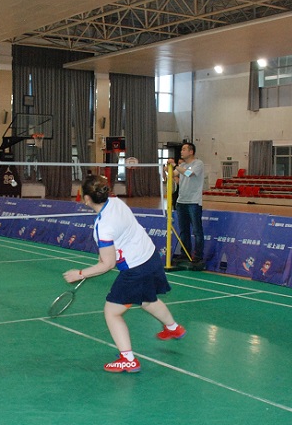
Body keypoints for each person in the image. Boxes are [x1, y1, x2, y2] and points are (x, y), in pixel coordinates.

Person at [63, 174, 185, 373]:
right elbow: (114, 246)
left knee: (112, 312)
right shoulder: (115, 202)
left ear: (86, 199)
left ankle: (127, 359)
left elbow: (107, 264)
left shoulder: (103, 226)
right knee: (147, 300)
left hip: (135, 268)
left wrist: (80, 273)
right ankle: (173, 328)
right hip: (151, 257)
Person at [168, 142, 205, 270]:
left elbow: (189, 174)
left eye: (184, 149)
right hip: (181, 202)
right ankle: (185, 254)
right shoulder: (182, 165)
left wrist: (175, 166)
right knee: (184, 230)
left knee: (197, 231)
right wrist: (167, 169)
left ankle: (198, 257)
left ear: (191, 152)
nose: (181, 152)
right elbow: (173, 175)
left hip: (193, 202)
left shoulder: (198, 164)